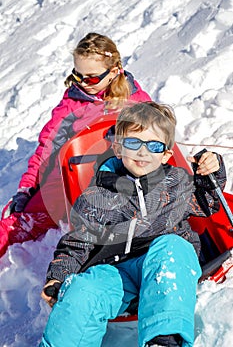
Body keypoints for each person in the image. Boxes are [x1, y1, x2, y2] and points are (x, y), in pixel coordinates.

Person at [39, 101, 226, 347]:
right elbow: (77, 244)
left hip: (165, 268)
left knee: (173, 246)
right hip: (117, 272)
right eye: (133, 143)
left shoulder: (177, 183)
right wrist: (58, 277)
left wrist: (211, 169)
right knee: (84, 290)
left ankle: (164, 340)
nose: (142, 152)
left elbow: (207, 203)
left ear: (166, 154)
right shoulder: (96, 197)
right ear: (118, 148)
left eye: (154, 145)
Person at [0, 32, 151, 257]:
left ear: (113, 71)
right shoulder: (72, 103)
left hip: (120, 180)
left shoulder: (135, 100)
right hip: (70, 181)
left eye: (90, 77)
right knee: (21, 223)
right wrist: (28, 188)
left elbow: (158, 135)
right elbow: (47, 147)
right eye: (77, 75)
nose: (82, 83)